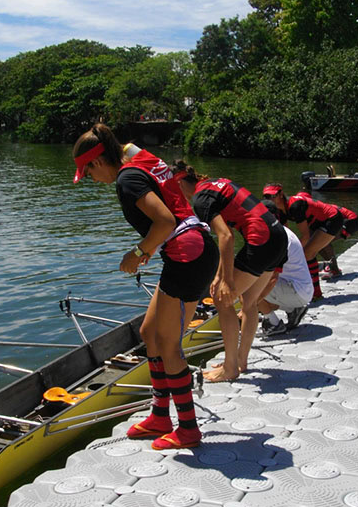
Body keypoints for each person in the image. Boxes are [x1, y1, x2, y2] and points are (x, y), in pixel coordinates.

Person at [72, 125, 219, 450]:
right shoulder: (138, 161)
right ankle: (160, 416)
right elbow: (130, 150)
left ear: (97, 163)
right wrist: (152, 250)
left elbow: (165, 221)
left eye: (88, 173)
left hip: (189, 257)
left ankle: (189, 429)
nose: (93, 181)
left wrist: (138, 252)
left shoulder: (127, 180)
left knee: (169, 345)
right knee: (150, 333)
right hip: (187, 251)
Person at [174, 162, 287, 382]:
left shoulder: (200, 199)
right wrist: (219, 275)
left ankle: (230, 367)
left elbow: (226, 237)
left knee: (221, 299)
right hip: (277, 236)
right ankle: (241, 361)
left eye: (172, 188)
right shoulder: (215, 184)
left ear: (179, 182)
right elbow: (227, 238)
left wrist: (226, 280)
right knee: (249, 301)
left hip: (261, 241)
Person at [262, 184, 343, 299]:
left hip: (332, 219)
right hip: (317, 222)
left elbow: (305, 236)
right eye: (266, 197)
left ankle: (316, 294)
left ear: (281, 195)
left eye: (272, 196)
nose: (269, 199)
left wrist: (292, 254)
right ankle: (312, 290)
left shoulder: (295, 206)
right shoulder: (280, 211)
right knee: (305, 253)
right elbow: (286, 235)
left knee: (307, 253)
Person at [256, 199, 313, 336]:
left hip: (297, 290)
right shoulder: (281, 230)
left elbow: (272, 279)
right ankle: (293, 309)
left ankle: (274, 324)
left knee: (249, 288)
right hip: (301, 289)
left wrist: (250, 303)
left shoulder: (277, 238)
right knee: (253, 284)